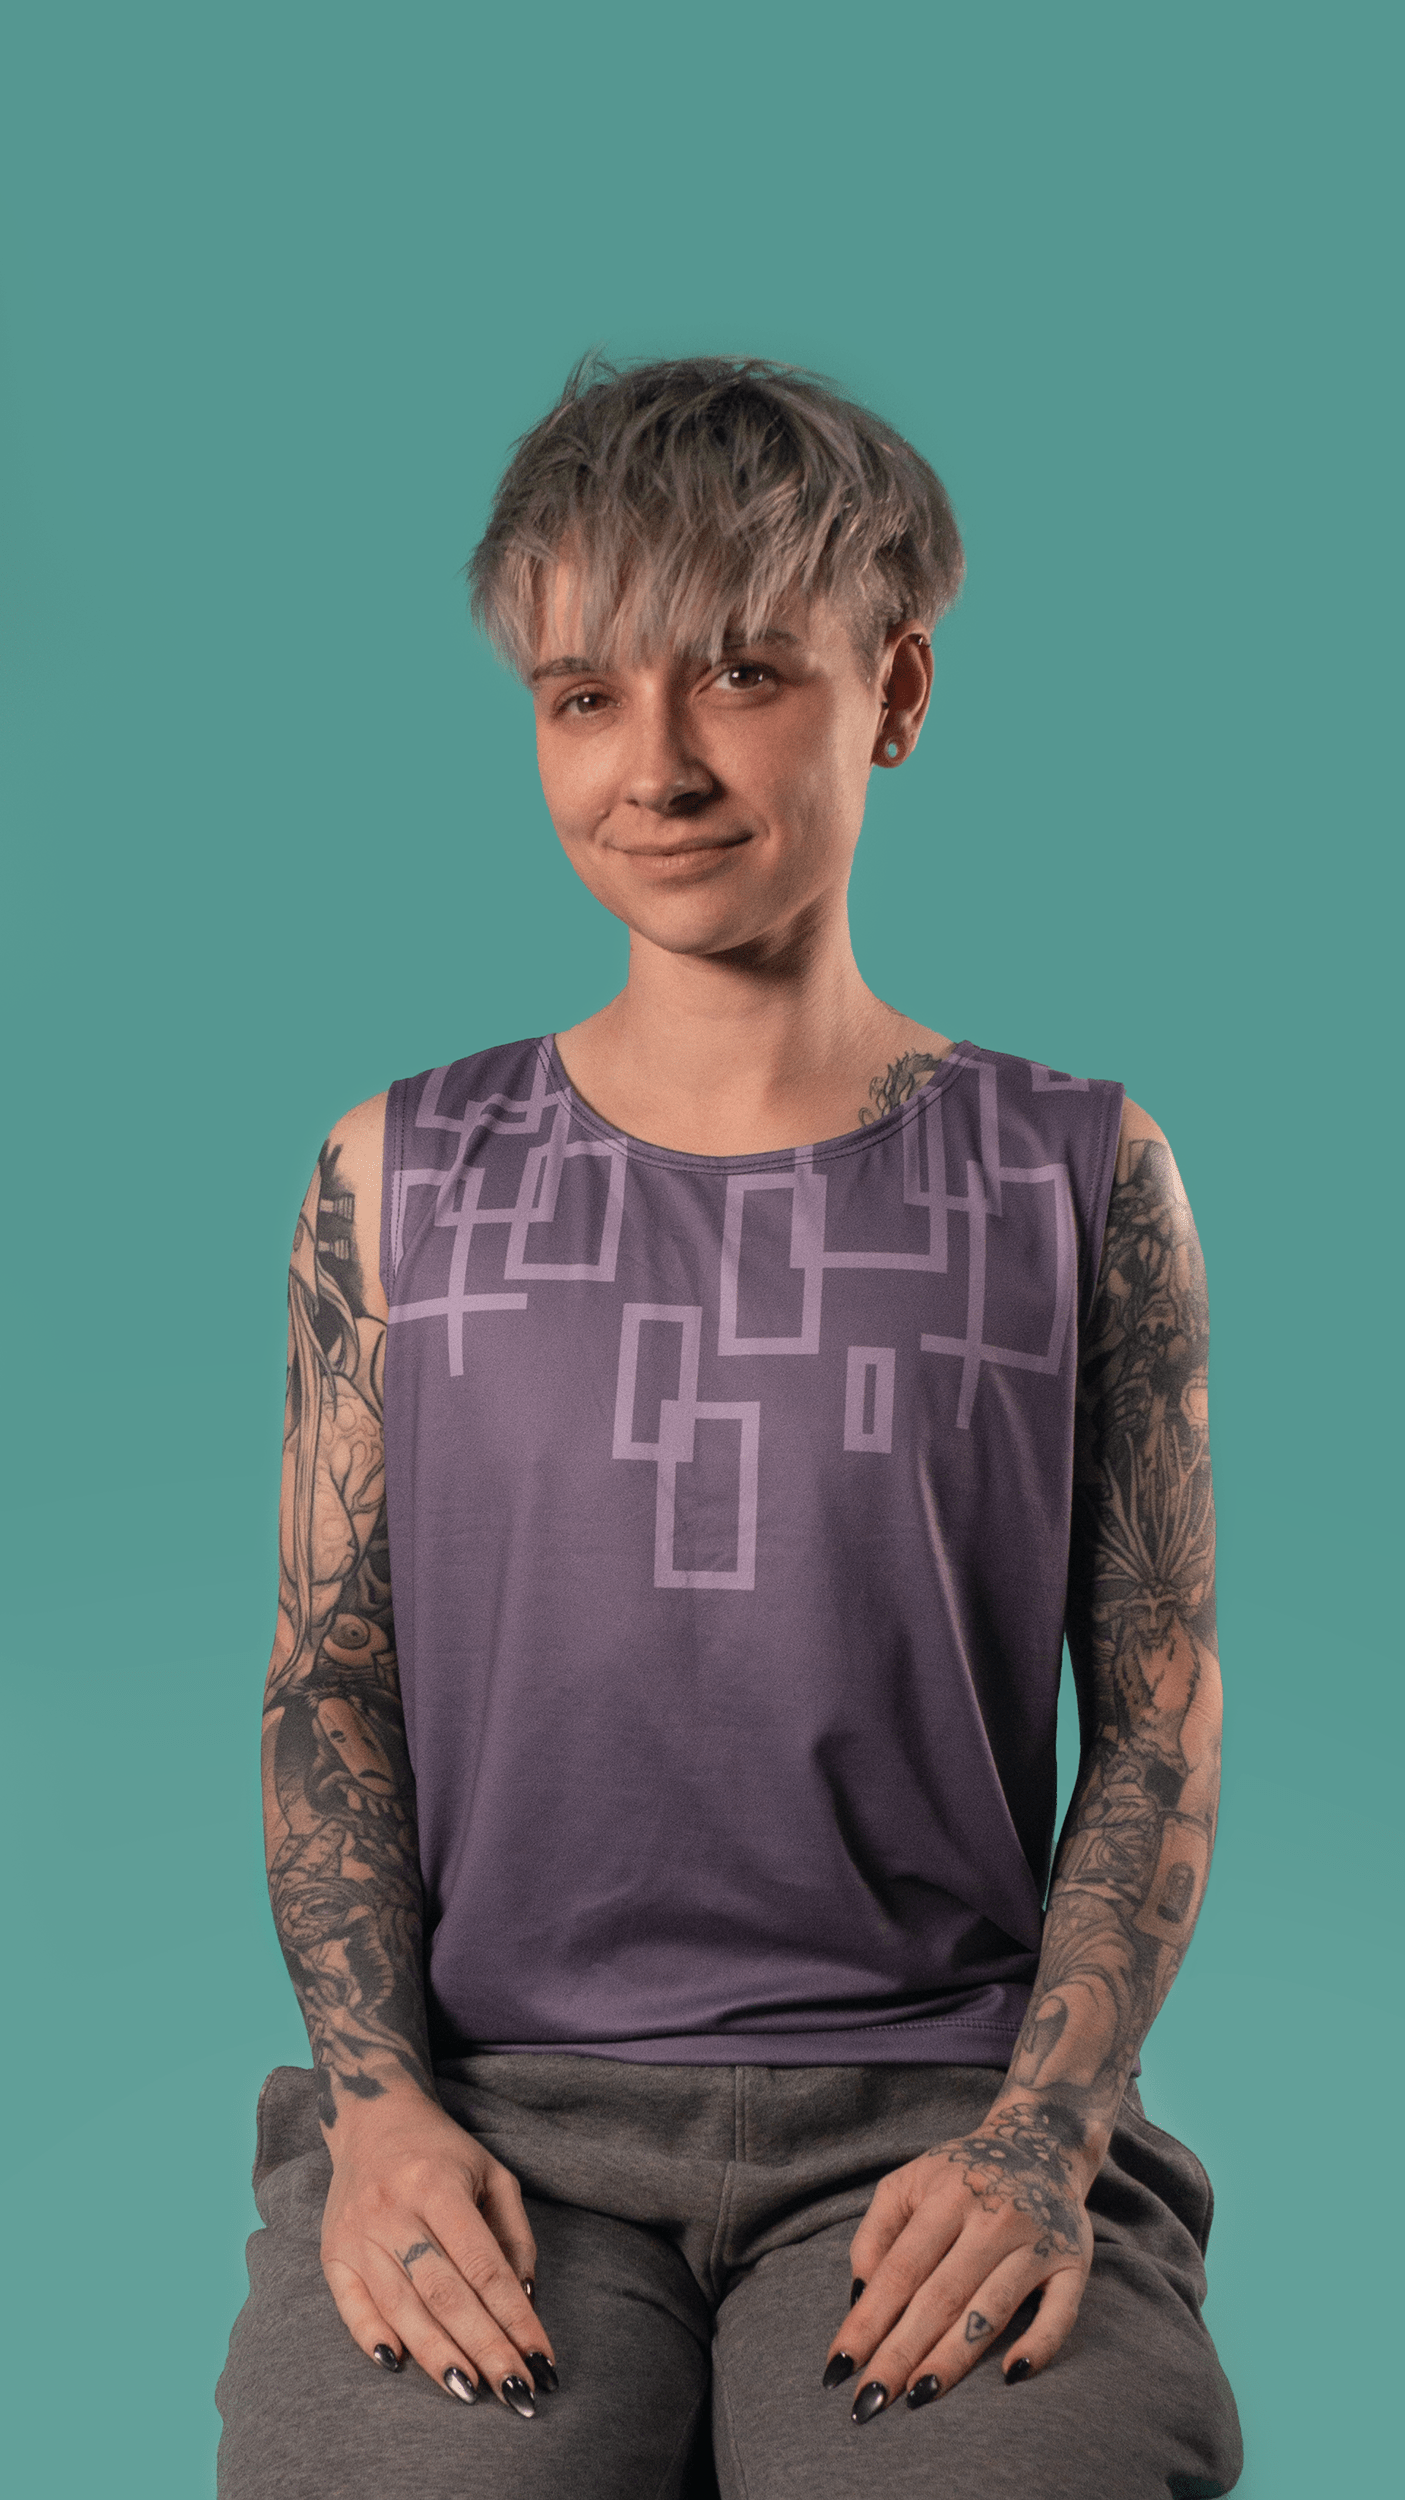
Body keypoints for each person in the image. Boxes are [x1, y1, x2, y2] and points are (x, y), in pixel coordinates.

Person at [216, 356, 1242, 2499]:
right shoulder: (392, 1179)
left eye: (744, 674)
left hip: (941, 2113)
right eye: (584, 694)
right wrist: (380, 2110)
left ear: (898, 690)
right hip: (495, 2112)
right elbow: (332, 1682)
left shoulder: (1080, 1178)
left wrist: (1046, 2135)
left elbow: (1155, 1707)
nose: (657, 766)